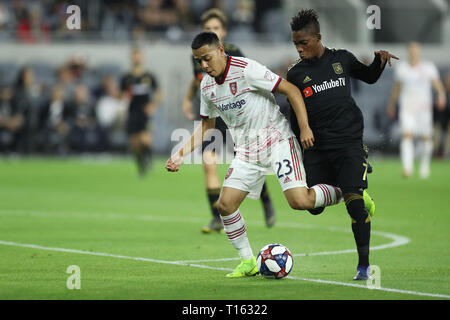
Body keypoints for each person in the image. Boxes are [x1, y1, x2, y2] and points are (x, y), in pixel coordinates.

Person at [166, 32, 345, 278]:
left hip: (277, 141)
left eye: (206, 58)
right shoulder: (207, 87)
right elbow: (207, 127)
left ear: (220, 50)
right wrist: (180, 155)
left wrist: (304, 127)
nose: (204, 65)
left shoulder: (246, 69)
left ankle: (347, 191)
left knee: (299, 201)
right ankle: (248, 261)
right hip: (248, 152)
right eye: (199, 61)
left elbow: (291, 90)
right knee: (225, 205)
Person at [286, 9, 397, 280]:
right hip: (317, 149)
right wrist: (303, 135)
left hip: (348, 143)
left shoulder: (342, 59)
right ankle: (352, 185)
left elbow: (369, 77)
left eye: (304, 43)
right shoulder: (296, 75)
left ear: (318, 38)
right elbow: (293, 117)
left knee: (355, 204)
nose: (299, 49)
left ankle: (363, 266)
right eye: (295, 44)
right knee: (313, 206)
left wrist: (379, 62)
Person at [182, 8, 275, 233]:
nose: (211, 31)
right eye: (207, 28)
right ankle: (217, 218)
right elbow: (197, 81)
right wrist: (187, 99)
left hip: (236, 116)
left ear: (222, 31)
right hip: (213, 114)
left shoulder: (234, 52)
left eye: (215, 28)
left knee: (248, 165)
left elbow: (246, 81)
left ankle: (265, 199)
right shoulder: (196, 55)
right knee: (208, 162)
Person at [387, 42, 447, 178]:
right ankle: (407, 168)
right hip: (407, 108)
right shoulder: (402, 69)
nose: (413, 53)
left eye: (416, 51)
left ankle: (424, 165)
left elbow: (437, 84)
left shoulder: (428, 67)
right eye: (411, 51)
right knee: (407, 135)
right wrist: (391, 104)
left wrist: (441, 96)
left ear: (419, 52)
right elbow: (397, 88)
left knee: (426, 139)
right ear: (409, 52)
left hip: (424, 109)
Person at [121, 47, 163, 177]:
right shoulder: (127, 77)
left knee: (145, 140)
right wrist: (123, 97)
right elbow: (121, 93)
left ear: (142, 58)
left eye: (138, 56)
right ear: (132, 58)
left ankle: (149, 160)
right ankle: (141, 167)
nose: (137, 58)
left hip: (144, 112)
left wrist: (153, 105)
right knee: (134, 144)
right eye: (135, 56)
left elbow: (158, 93)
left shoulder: (148, 76)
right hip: (132, 111)